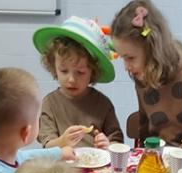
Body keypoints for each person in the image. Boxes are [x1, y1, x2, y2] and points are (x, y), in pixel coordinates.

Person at [111, 0, 182, 146]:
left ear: (152, 50)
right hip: (157, 155)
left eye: (130, 58)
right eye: (123, 58)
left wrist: (169, 157)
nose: (126, 67)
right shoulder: (142, 76)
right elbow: (145, 129)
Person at [33, 16, 123, 151]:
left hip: (96, 162)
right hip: (62, 163)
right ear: (54, 68)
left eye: (80, 72)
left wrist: (107, 144)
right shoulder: (50, 103)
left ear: (93, 72)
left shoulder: (103, 104)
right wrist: (62, 141)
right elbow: (47, 145)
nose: (71, 79)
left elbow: (117, 141)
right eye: (64, 71)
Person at [0, 67, 76, 173]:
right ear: (26, 133)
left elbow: (24, 157)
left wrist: (60, 153)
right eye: (38, 118)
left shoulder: (6, 154)